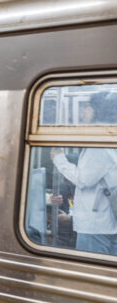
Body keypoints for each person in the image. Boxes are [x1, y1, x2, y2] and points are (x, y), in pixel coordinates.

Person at [51, 97, 117, 255]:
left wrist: (59, 159)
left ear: (99, 111)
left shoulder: (99, 147)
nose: (82, 111)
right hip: (102, 223)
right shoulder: (104, 141)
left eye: (87, 107)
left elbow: (83, 180)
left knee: (94, 274)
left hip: (95, 227)